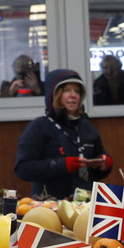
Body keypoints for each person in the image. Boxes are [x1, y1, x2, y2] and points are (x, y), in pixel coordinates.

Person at [14, 69, 113, 199]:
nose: (73, 95)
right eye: (67, 90)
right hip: (49, 207)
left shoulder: (87, 127)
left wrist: (105, 164)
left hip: (83, 206)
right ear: (54, 95)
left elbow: (97, 165)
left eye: (77, 91)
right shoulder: (38, 127)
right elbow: (23, 168)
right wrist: (62, 165)